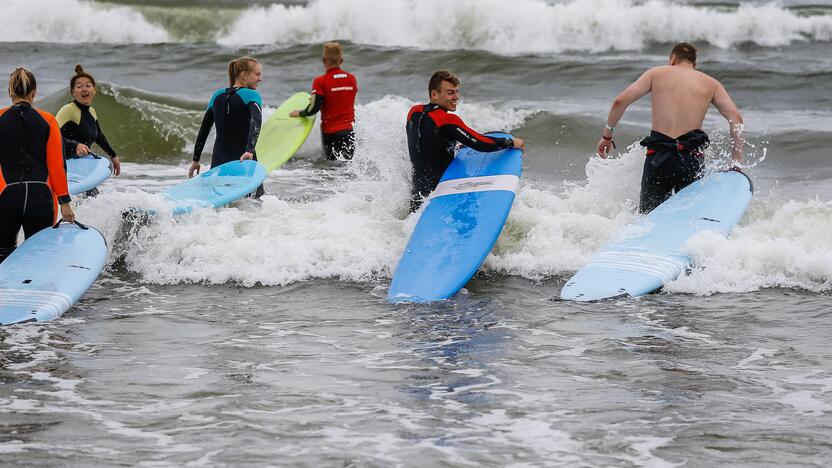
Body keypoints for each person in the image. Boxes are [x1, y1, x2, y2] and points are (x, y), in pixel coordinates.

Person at [596, 42, 744, 213]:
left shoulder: (656, 73)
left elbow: (619, 102)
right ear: (693, 64)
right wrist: (736, 161)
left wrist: (607, 136)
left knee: (648, 218)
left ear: (673, 59)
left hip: (658, 157)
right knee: (688, 218)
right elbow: (736, 119)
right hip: (690, 159)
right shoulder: (711, 83)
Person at [405, 70, 525, 211]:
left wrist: (450, 145)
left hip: (417, 195)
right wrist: (511, 142)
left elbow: (426, 142)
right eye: (450, 93)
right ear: (434, 95)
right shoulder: (446, 120)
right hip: (442, 194)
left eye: (457, 92)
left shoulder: (414, 112)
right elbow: (481, 143)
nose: (456, 97)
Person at [0, 68, 74, 264]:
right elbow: (57, 165)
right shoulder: (48, 120)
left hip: (6, 197)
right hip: (40, 197)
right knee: (40, 257)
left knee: (2, 254)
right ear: (34, 93)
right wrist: (65, 202)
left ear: (10, 92)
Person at [190, 56, 264, 197]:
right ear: (243, 74)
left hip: (219, 162)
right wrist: (249, 150)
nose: (260, 79)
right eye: (257, 74)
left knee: (222, 201)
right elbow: (257, 121)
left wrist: (196, 159)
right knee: (253, 202)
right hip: (243, 160)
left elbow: (204, 129)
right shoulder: (251, 95)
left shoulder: (217, 96)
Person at [290, 42, 358, 161]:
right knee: (348, 169)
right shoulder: (351, 78)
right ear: (341, 61)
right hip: (349, 131)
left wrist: (300, 113)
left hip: (331, 132)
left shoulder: (320, 81)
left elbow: (314, 108)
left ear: (324, 60)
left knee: (332, 169)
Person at [56, 64, 122, 176]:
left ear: (94, 90)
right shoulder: (68, 110)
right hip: (63, 166)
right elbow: (51, 136)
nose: (84, 89)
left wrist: (113, 155)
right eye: (79, 86)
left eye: (88, 85)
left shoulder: (92, 111)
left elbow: (99, 136)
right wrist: (75, 146)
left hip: (80, 166)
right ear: (72, 92)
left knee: (94, 194)